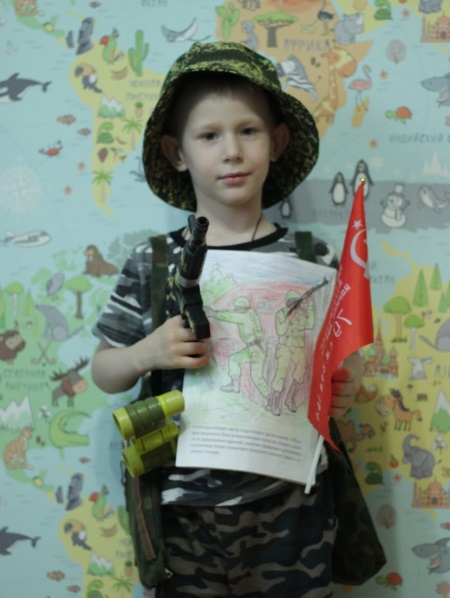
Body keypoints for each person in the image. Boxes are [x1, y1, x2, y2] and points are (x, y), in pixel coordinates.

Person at [91, 41, 365, 597]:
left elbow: (341, 362)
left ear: (277, 142)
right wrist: (147, 353)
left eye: (248, 131)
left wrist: (345, 385)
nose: (232, 151)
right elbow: (104, 371)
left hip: (294, 504)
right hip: (183, 512)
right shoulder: (154, 262)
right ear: (177, 152)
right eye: (209, 135)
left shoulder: (312, 259)